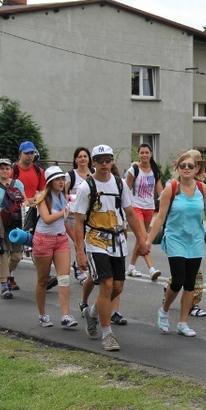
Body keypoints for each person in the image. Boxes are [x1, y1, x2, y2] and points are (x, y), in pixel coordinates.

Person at [73, 144, 150, 351]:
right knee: (106, 285)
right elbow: (79, 221)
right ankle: (107, 334)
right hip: (96, 241)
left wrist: (142, 240)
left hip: (118, 241)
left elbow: (131, 213)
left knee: (117, 287)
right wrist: (80, 251)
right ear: (93, 162)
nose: (104, 164)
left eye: (108, 159)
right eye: (100, 160)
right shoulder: (85, 188)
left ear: (112, 161)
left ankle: (93, 313)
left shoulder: (119, 184)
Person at [147, 152, 206, 338]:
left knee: (190, 284)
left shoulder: (202, 188)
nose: (186, 169)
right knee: (178, 280)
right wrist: (147, 241)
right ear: (177, 169)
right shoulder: (171, 189)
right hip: (175, 239)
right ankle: (164, 311)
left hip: (195, 240)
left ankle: (182, 323)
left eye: (190, 166)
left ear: (196, 169)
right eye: (183, 166)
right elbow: (160, 217)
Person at [31, 166, 77, 328]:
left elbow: (64, 222)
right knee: (43, 280)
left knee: (64, 278)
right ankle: (42, 314)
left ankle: (65, 315)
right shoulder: (42, 197)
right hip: (43, 240)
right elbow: (47, 218)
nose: (61, 182)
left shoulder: (63, 197)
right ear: (50, 182)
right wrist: (65, 211)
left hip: (61, 240)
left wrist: (76, 240)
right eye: (58, 179)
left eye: (62, 179)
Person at [0, 158, 27, 299]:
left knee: (16, 256)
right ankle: (4, 286)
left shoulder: (18, 184)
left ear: (11, 170)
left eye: (7, 168)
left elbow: (25, 201)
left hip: (15, 223)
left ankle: (6, 274)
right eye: (1, 168)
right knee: (2, 255)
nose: (4, 171)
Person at [11, 140, 49, 292]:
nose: (30, 156)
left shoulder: (39, 171)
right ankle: (9, 276)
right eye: (26, 153)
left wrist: (36, 199)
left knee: (36, 242)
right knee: (16, 248)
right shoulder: (14, 169)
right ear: (20, 154)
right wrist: (25, 200)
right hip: (16, 211)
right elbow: (10, 187)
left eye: (32, 153)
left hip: (33, 210)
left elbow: (42, 190)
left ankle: (44, 277)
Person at [125, 143, 163, 281]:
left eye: (147, 152)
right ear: (138, 155)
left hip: (149, 207)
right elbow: (126, 189)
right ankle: (151, 268)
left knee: (140, 239)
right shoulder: (133, 170)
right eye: (142, 153)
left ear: (151, 154)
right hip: (136, 207)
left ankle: (131, 267)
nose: (144, 155)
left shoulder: (155, 171)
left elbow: (160, 192)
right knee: (144, 237)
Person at [184, 149, 206, 317]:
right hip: (179, 234)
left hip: (196, 232)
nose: (198, 165)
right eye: (196, 162)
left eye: (200, 162)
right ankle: (191, 304)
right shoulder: (179, 181)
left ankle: (172, 288)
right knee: (190, 273)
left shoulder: (203, 182)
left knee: (190, 271)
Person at [65, 146, 94, 284]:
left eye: (85, 156)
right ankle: (81, 272)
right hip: (73, 215)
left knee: (88, 242)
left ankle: (79, 265)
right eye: (80, 156)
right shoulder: (70, 175)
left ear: (89, 159)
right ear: (75, 159)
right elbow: (63, 194)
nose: (83, 159)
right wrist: (72, 198)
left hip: (91, 215)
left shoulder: (94, 174)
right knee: (78, 242)